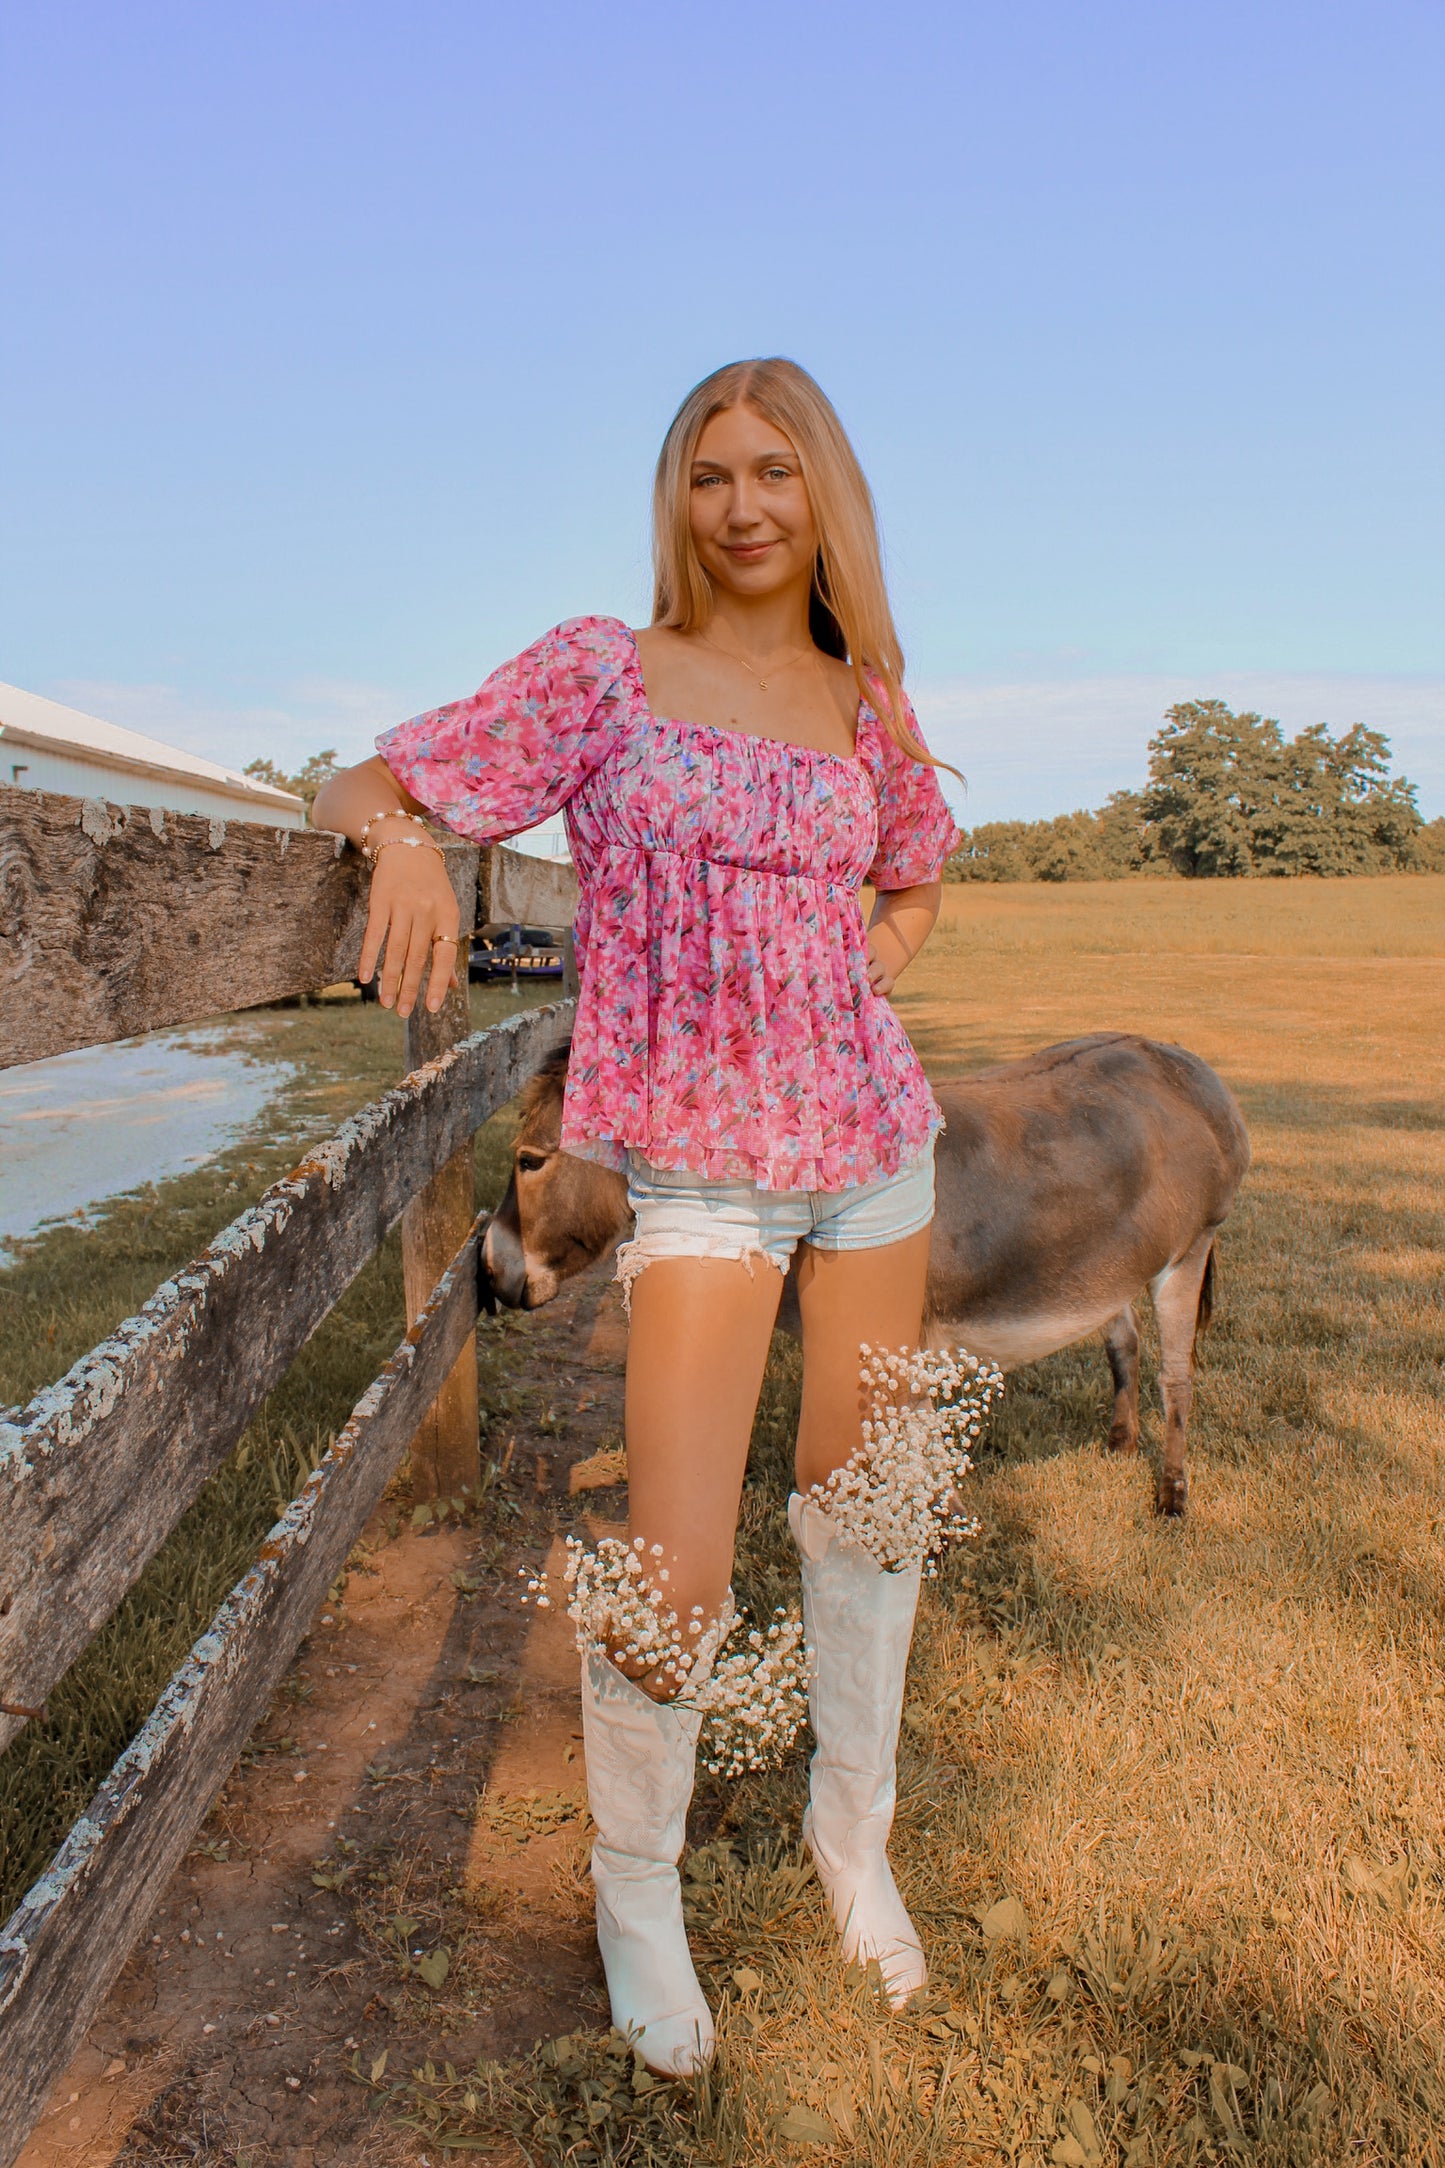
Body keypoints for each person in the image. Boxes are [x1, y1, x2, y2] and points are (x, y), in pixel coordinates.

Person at [312, 357, 960, 2075]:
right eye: (707, 474)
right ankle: (635, 1891)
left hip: (869, 1145)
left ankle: (851, 1842)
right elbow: (370, 778)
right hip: (691, 1170)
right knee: (675, 1553)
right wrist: (397, 840)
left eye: (773, 472)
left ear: (824, 494)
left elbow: (913, 869)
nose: (741, 505)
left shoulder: (864, 699)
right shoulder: (607, 671)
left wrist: (855, 982)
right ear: (675, 499)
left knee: (867, 1507)